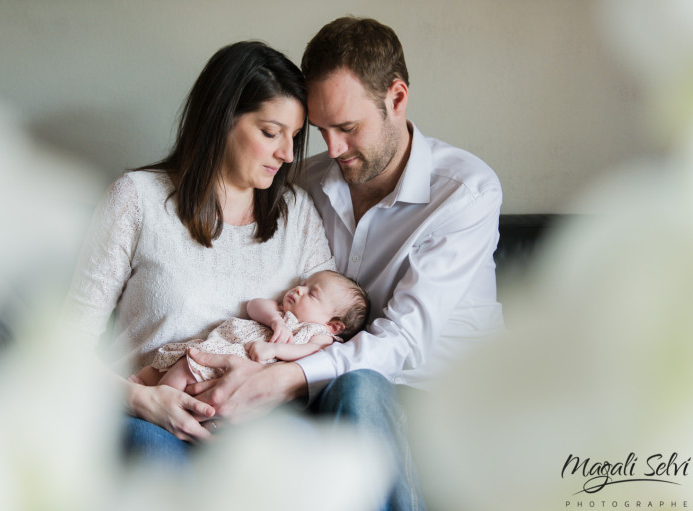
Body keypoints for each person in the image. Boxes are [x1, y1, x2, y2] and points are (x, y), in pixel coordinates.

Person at [185, 17, 504, 510]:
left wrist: (283, 378)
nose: (332, 149)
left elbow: (404, 342)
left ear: (396, 99)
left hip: (432, 395)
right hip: (326, 378)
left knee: (357, 387)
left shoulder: (465, 193)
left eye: (348, 128)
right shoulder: (306, 184)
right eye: (321, 130)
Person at [62, 40, 336, 448]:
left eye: (295, 136)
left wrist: (269, 385)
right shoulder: (138, 199)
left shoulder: (296, 214)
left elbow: (332, 336)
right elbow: (66, 346)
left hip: (256, 430)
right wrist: (142, 399)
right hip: (151, 421)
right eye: (270, 132)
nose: (287, 154)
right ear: (221, 119)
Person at [130, 270, 369, 392]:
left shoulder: (320, 335)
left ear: (334, 325)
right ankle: (142, 383)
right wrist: (276, 320)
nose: (298, 290)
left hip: (237, 365)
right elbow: (254, 305)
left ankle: (162, 399)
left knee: (185, 368)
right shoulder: (281, 314)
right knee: (168, 363)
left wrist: (274, 347)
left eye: (312, 293)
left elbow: (306, 352)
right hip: (216, 345)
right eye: (303, 285)